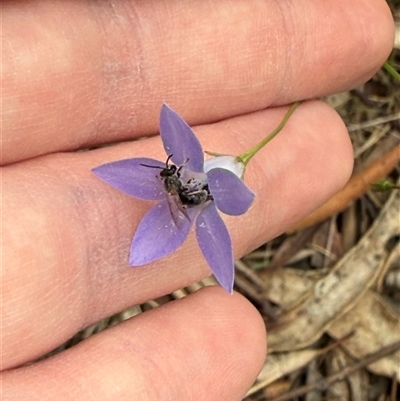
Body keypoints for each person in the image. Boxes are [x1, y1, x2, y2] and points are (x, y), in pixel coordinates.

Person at [1, 1, 394, 399]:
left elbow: (222, 194)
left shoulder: (212, 188)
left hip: (219, 173)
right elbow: (155, 159)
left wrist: (228, 168)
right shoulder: (183, 176)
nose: (188, 192)